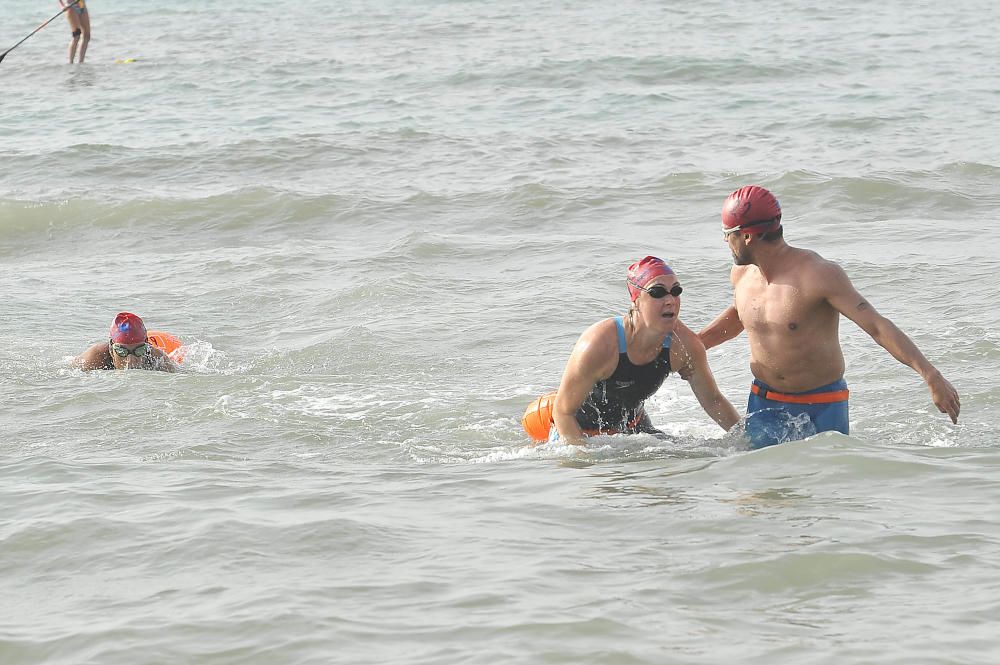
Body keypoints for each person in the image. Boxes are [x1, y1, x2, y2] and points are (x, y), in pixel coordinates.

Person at [698, 185, 960, 448]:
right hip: (764, 403)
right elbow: (741, 316)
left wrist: (931, 375)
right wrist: (692, 345)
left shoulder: (818, 275)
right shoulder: (742, 274)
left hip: (822, 405)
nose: (724, 241)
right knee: (760, 484)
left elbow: (877, 326)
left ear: (746, 236)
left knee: (822, 484)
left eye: (726, 233)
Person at [522, 256, 740, 444]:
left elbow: (713, 401)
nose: (670, 300)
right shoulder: (600, 344)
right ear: (635, 300)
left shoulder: (684, 346)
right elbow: (564, 411)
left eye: (676, 291)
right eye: (657, 292)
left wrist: (745, 438)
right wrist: (584, 461)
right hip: (556, 421)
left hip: (630, 424)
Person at [72, 312, 178, 372]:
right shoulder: (92, 359)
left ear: (147, 344)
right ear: (111, 347)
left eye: (139, 350)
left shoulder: (158, 358)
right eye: (121, 351)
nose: (130, 360)